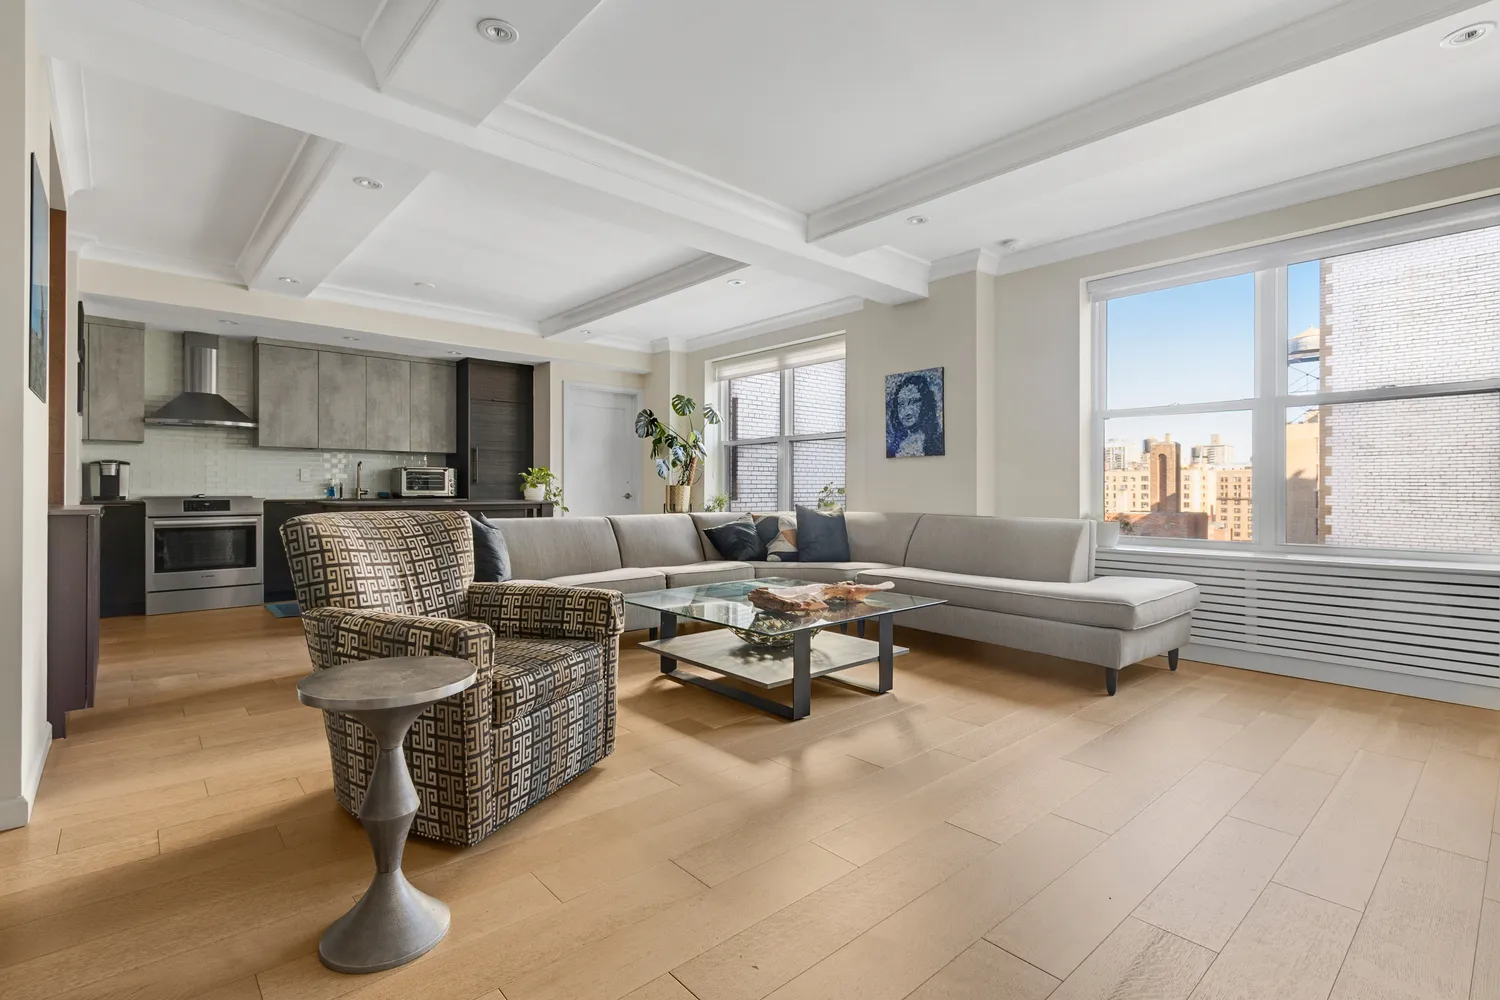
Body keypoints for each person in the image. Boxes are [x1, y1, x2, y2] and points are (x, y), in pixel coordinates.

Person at [886, 372, 944, 458]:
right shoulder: (893, 447)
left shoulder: (937, 442)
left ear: (925, 404)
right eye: (901, 404)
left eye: (914, 402)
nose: (907, 410)